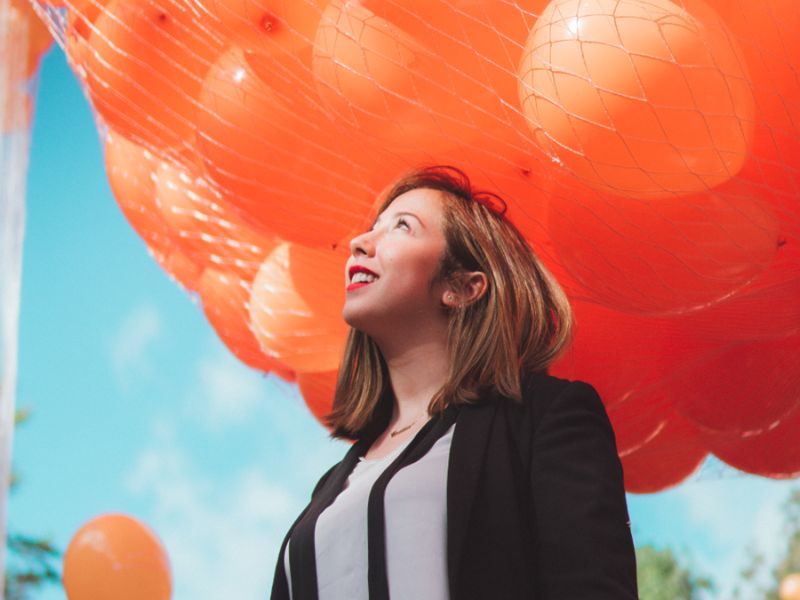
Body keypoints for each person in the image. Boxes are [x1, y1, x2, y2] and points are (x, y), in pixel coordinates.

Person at [270, 165, 638, 600]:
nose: (359, 243)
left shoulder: (543, 420)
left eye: (401, 227)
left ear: (463, 288)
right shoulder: (331, 488)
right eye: (371, 228)